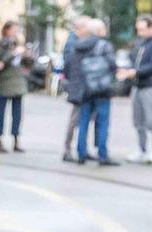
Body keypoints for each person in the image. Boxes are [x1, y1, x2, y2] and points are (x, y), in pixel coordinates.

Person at [117, 14, 152, 164]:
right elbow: (133, 60)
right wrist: (126, 69)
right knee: (138, 120)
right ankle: (141, 149)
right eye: (138, 30)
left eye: (142, 29)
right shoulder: (141, 43)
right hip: (137, 86)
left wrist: (136, 72)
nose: (140, 33)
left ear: (151, 28)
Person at [71, 19, 119, 166]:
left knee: (83, 122)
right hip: (101, 89)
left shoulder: (79, 45)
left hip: (85, 90)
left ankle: (81, 153)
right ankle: (102, 155)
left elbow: (73, 67)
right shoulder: (104, 45)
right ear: (99, 31)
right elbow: (112, 65)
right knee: (103, 122)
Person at [0, 20, 30, 153]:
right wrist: (13, 53)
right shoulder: (1, 44)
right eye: (14, 29)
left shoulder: (19, 44)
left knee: (17, 114)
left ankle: (16, 140)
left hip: (18, 82)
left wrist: (26, 54)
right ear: (6, 30)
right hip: (5, 82)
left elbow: (28, 64)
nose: (16, 32)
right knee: (1, 112)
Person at [61, 16, 90, 162]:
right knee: (75, 118)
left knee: (81, 117)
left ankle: (81, 147)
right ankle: (67, 149)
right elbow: (69, 65)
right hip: (78, 85)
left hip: (79, 84)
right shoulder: (74, 43)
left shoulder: (76, 41)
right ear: (81, 28)